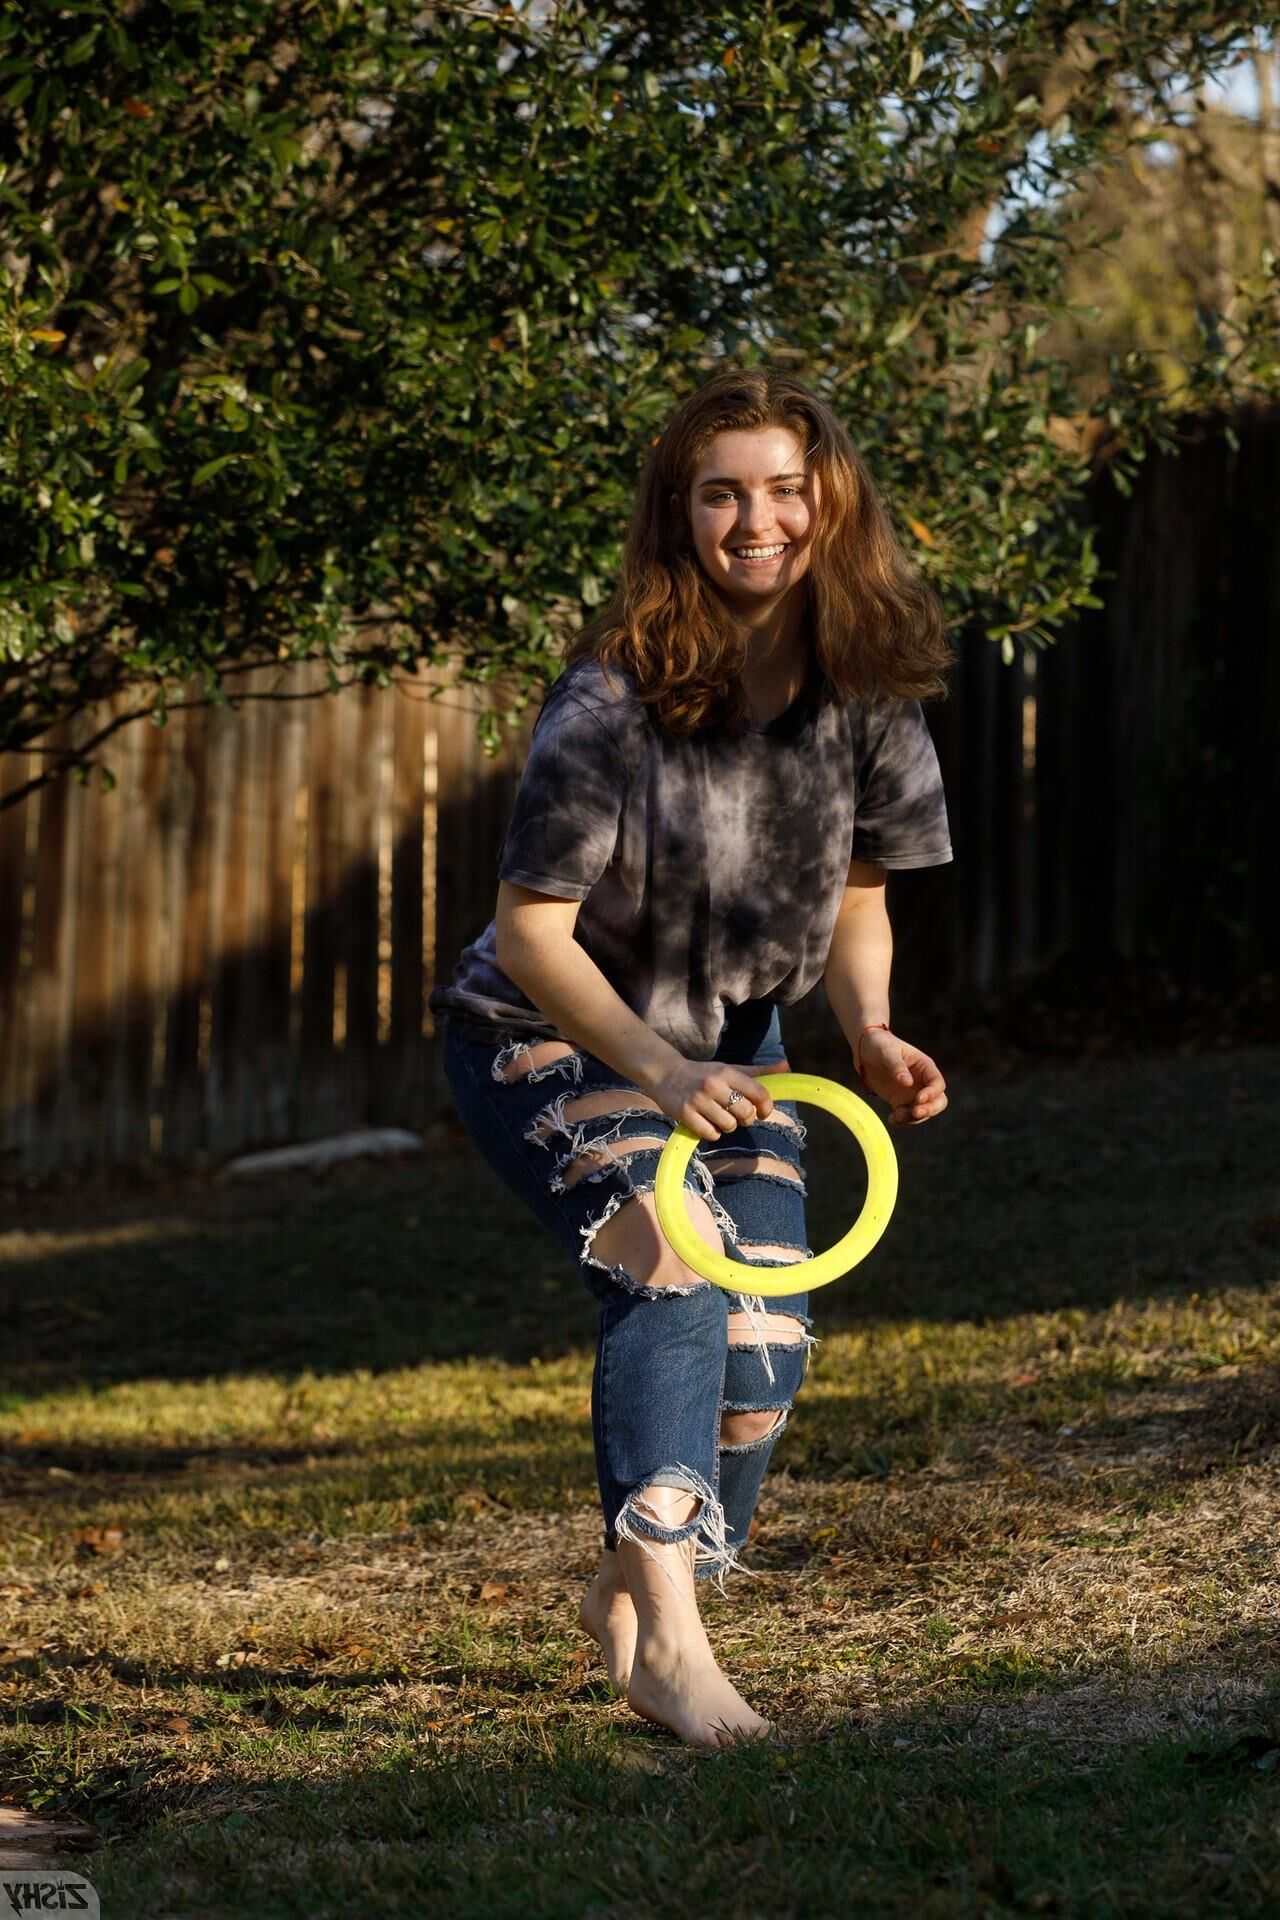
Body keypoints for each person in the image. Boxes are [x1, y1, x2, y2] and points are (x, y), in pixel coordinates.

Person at [429, 365, 954, 1748]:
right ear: (679, 512)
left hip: (736, 1046)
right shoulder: (611, 696)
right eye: (723, 491)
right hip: (547, 1033)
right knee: (672, 1259)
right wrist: (653, 1078)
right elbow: (531, 934)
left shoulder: (867, 692)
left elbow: (859, 892)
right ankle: (670, 1639)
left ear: (830, 505)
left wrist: (874, 1027)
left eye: (787, 489)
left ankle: (639, 1570)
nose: (758, 519)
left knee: (766, 1333)